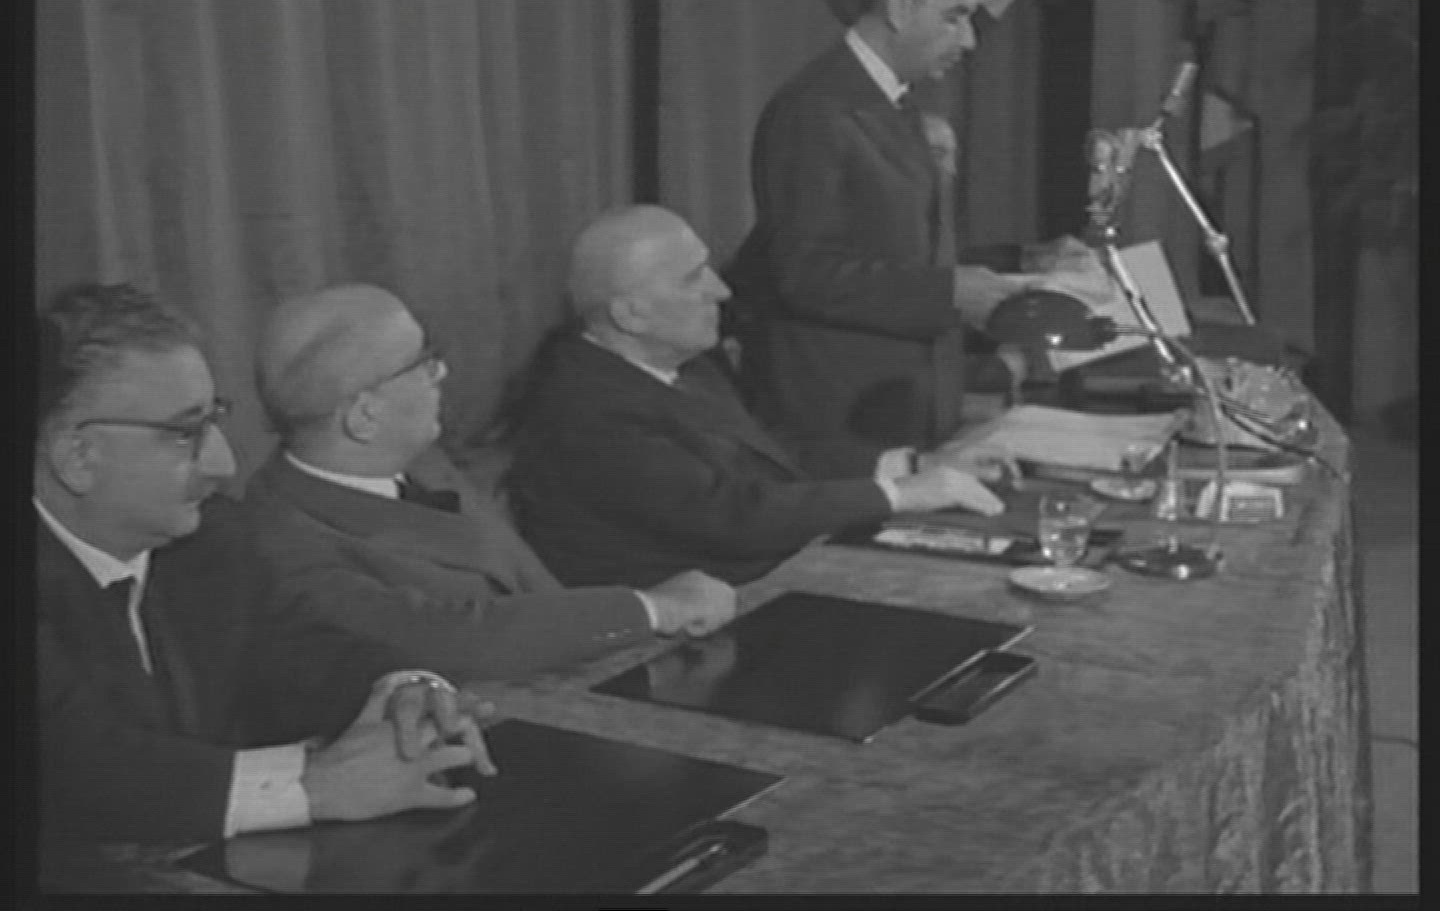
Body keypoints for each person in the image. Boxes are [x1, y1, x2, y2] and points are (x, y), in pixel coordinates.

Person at [35, 283, 493, 875]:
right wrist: (312, 787)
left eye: (213, 420)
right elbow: (81, 770)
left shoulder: (213, 538)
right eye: (184, 433)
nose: (221, 464)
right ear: (76, 455)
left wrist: (406, 691)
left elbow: (307, 653)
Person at [242, 283, 736, 687]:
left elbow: (526, 584)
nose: (442, 373)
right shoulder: (279, 543)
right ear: (365, 416)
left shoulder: (421, 459)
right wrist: (653, 608)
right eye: (422, 363)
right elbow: (452, 637)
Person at [726, 0, 1091, 476]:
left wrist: (1021, 261)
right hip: (844, 420)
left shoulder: (892, 104)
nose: (969, 39)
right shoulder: (816, 109)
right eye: (954, 17)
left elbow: (899, 248)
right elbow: (804, 274)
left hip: (903, 407)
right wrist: (950, 292)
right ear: (899, 9)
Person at [505, 205, 1017, 589]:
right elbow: (731, 517)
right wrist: (900, 495)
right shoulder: (585, 410)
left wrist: (909, 465)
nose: (721, 290)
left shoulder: (684, 364)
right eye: (692, 279)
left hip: (768, 579)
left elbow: (769, 453)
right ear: (630, 314)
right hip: (683, 630)